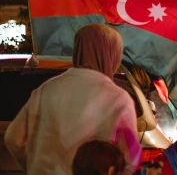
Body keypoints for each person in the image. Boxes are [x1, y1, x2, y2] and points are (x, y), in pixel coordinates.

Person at [4, 24, 140, 174]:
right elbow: (130, 160)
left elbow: (12, 138)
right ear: (112, 54)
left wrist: (33, 166)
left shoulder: (47, 89)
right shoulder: (118, 98)